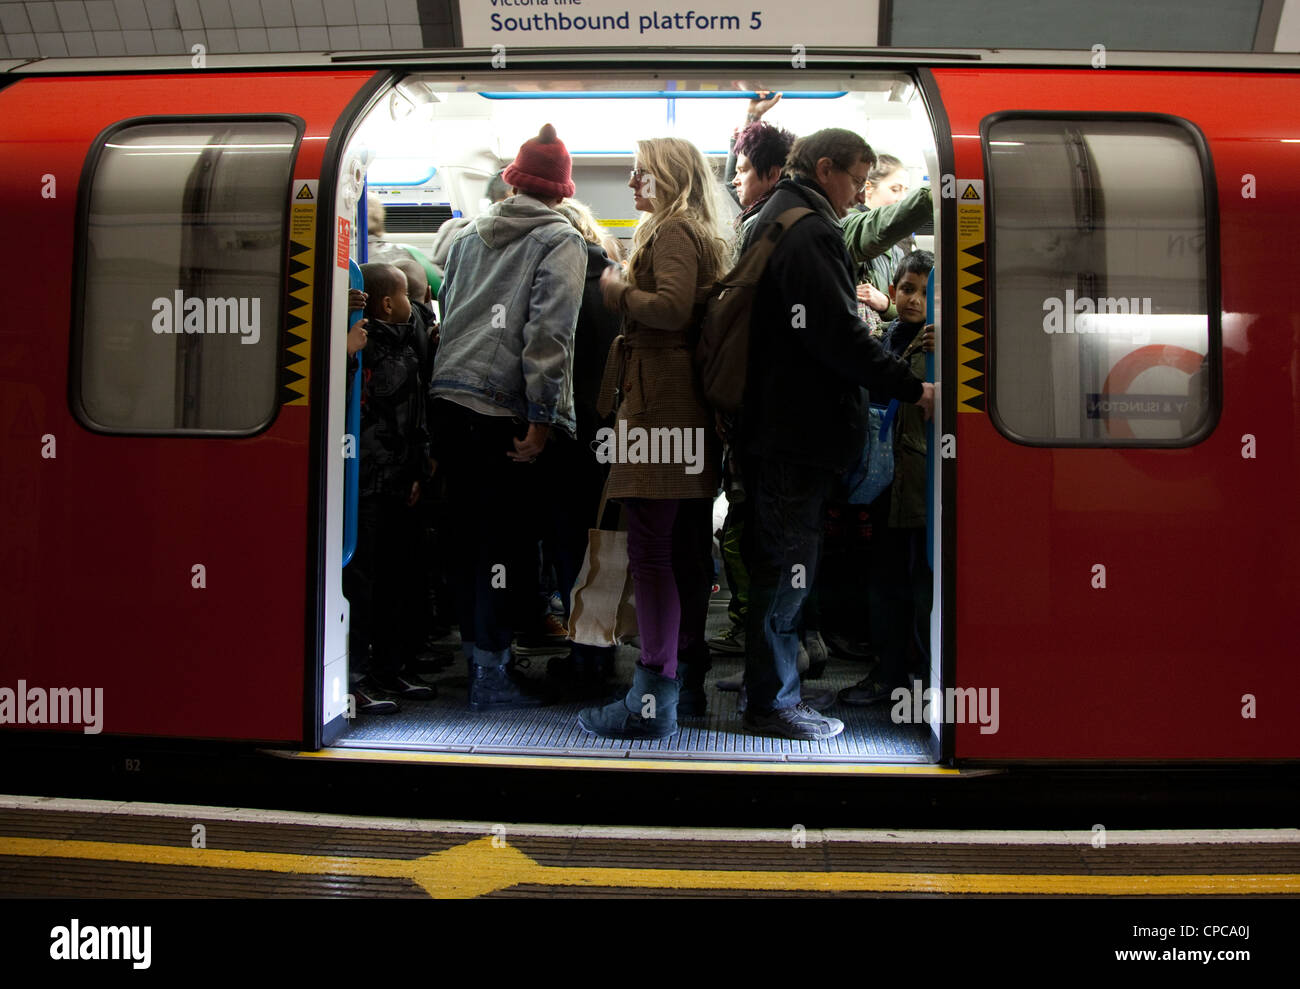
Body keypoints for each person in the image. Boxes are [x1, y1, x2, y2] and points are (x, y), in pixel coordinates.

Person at [738, 128, 935, 741]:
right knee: (788, 567)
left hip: (776, 429)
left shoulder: (771, 218)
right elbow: (836, 336)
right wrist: (910, 386)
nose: (860, 195)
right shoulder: (811, 231)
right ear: (826, 170)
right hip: (796, 433)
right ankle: (772, 703)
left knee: (779, 562)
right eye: (856, 178)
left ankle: (767, 690)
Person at [577, 137, 732, 738]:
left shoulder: (671, 232)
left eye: (640, 172)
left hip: (659, 410)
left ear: (669, 175)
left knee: (651, 551)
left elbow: (669, 309)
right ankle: (671, 688)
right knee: (674, 551)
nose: (631, 182)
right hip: (675, 407)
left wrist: (619, 292)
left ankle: (651, 699)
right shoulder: (693, 230)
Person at [428, 123, 586, 712]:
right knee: (502, 545)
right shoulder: (558, 239)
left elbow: (451, 311)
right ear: (561, 191)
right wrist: (543, 416)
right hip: (500, 407)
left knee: (466, 543)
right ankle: (490, 679)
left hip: (447, 398)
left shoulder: (469, 235)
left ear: (514, 181)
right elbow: (550, 334)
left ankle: (479, 658)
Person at [710, 115, 797, 659]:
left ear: (771, 174)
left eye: (744, 171)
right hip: (762, 407)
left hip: (758, 410)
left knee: (749, 526)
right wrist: (744, 126)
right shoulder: (768, 219)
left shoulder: (763, 228)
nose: (736, 181)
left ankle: (757, 635)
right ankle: (768, 634)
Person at [839, 250, 936, 706]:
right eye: (907, 289)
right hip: (883, 480)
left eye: (924, 290)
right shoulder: (883, 338)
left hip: (919, 484)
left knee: (916, 584)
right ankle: (889, 674)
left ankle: (915, 677)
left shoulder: (943, 346)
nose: (914, 300)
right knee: (883, 581)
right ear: (892, 293)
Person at [538, 198, 623, 698]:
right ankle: (602, 652)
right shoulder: (617, 285)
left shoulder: (552, 283)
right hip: (611, 434)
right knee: (605, 546)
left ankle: (582, 657)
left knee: (568, 546)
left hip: (564, 436)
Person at [344, 262, 435, 713]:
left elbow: (414, 417)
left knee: (398, 579)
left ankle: (390, 667)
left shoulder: (406, 346)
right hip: (366, 483)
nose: (412, 307)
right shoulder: (361, 346)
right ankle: (356, 674)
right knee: (364, 584)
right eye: (404, 298)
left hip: (401, 480)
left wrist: (418, 469)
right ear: (386, 303)